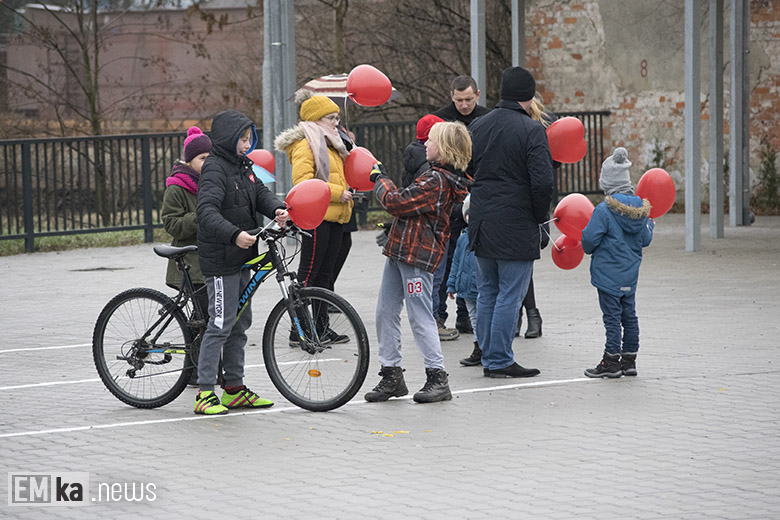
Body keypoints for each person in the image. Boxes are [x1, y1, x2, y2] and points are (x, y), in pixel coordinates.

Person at [364, 121, 471, 404]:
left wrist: (380, 179)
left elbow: (397, 202)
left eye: (431, 141)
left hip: (417, 258)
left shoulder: (436, 181)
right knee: (384, 312)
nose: (425, 144)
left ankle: (438, 376)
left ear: (445, 150)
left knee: (420, 316)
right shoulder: (432, 175)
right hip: (400, 251)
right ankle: (391, 374)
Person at [195, 109, 289, 415]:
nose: (247, 144)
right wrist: (234, 234)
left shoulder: (244, 166)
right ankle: (205, 392)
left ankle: (234, 388)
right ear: (227, 138)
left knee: (240, 322)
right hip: (222, 259)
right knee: (221, 323)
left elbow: (260, 192)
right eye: (242, 138)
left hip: (242, 256)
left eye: (250, 138)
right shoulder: (215, 169)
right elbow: (206, 213)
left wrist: (278, 208)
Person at [468, 66, 554, 378]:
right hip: (516, 222)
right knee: (509, 294)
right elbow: (542, 183)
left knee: (488, 290)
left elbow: (468, 166)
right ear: (529, 97)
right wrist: (540, 219)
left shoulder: (479, 125)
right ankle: (500, 359)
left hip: (481, 219)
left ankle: (490, 357)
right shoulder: (532, 130)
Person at [274, 93, 353, 344]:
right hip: (316, 219)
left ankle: (321, 327)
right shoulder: (306, 145)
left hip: (334, 217)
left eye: (337, 117)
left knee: (325, 276)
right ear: (315, 119)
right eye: (331, 118)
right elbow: (305, 184)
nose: (335, 122)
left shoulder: (331, 143)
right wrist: (340, 193)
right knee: (308, 276)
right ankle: (298, 330)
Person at [582, 147, 654, 378]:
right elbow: (645, 239)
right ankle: (630, 361)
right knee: (629, 316)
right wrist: (650, 225)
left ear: (607, 183)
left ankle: (611, 362)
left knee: (612, 319)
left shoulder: (603, 210)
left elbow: (589, 241)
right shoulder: (640, 210)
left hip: (607, 277)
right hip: (629, 276)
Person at [433, 76, 492, 337]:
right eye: (459, 100)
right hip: (449, 195)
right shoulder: (441, 119)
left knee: (470, 257)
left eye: (469, 99)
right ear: (451, 96)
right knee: (448, 262)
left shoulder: (487, 118)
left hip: (475, 192)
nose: (464, 105)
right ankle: (441, 315)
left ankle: (465, 315)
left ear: (477, 95)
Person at [161, 126, 212, 385]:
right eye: (202, 158)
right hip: (189, 262)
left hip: (209, 259)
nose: (207, 162)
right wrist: (200, 216)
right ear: (189, 161)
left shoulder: (212, 182)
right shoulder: (178, 187)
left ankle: (206, 367)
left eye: (210, 157)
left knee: (207, 317)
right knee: (205, 316)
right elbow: (171, 224)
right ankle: (194, 371)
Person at [446, 194, 481, 367]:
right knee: (474, 319)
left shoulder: (484, 237)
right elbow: (456, 262)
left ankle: (484, 347)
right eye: (468, 213)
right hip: (466, 289)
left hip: (480, 288)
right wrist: (451, 284)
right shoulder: (462, 238)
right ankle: (478, 347)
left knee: (482, 318)